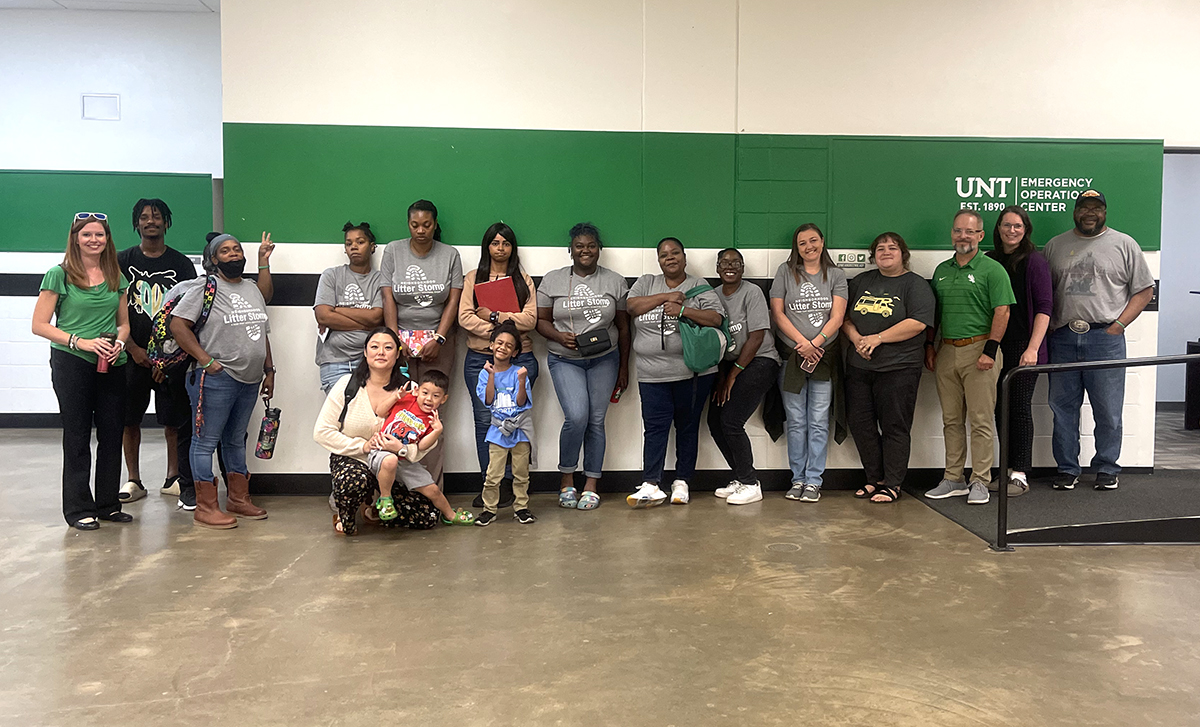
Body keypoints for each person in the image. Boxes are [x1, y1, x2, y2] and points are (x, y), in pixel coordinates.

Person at [1043, 190, 1154, 491]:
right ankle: (1067, 469)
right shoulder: (1055, 245)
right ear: (1075, 211)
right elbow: (1043, 292)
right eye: (1084, 208)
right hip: (1063, 338)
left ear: (1104, 211)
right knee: (1062, 408)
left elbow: (1145, 290)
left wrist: (1118, 325)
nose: (1090, 213)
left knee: (1107, 409)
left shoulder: (1124, 244)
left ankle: (1106, 467)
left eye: (1096, 208)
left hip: (1105, 339)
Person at [32, 212, 133, 530]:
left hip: (112, 363)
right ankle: (78, 509)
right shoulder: (58, 275)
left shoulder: (116, 275)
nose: (94, 240)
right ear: (75, 238)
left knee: (112, 433)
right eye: (87, 234)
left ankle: (108, 504)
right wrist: (81, 343)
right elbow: (39, 325)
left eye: (100, 235)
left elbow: (124, 323)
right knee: (77, 435)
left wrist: (118, 343)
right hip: (72, 363)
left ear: (107, 239)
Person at [170, 233, 274, 529]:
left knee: (234, 441)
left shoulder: (252, 289)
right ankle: (205, 506)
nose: (233, 254)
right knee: (205, 442)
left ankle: (238, 499)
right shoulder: (205, 288)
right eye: (225, 251)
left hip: (251, 379)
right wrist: (205, 360)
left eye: (237, 249)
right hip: (215, 377)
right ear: (213, 259)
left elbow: (261, 330)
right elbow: (178, 324)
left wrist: (270, 370)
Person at [312, 328, 444, 536]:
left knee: (426, 516)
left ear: (398, 353)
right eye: (374, 347)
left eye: (388, 347)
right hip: (354, 459)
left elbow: (425, 436)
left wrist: (402, 450)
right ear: (365, 352)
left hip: (393, 462)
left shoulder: (412, 390)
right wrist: (362, 446)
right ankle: (348, 508)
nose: (381, 352)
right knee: (354, 482)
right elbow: (322, 432)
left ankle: (375, 504)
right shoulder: (347, 385)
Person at [625, 237, 726, 508]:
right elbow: (632, 307)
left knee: (687, 427)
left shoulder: (698, 285)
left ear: (684, 257)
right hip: (651, 374)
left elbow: (716, 319)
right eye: (664, 255)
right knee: (655, 429)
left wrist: (683, 309)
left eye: (675, 253)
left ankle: (682, 481)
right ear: (658, 261)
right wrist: (666, 297)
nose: (670, 258)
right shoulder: (647, 282)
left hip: (691, 374)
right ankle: (651, 483)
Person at [536, 223, 630, 511]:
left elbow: (624, 328)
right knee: (577, 417)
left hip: (605, 358)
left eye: (591, 245)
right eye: (579, 246)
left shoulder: (615, 281)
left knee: (596, 421)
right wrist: (558, 336)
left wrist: (624, 368)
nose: (585, 250)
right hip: (565, 359)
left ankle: (591, 484)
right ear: (570, 250)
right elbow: (540, 321)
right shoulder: (552, 280)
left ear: (598, 249)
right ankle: (566, 480)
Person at [924, 210, 1016, 505]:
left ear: (979, 235)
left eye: (970, 231)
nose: (963, 236)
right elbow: (934, 314)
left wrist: (991, 350)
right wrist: (930, 346)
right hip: (947, 350)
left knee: (980, 420)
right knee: (951, 420)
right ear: (952, 234)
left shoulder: (992, 269)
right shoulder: (941, 270)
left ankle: (980, 480)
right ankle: (953, 478)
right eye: (958, 231)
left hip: (981, 350)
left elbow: (1002, 311)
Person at [841, 233, 936, 504]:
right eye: (880, 248)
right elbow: (845, 317)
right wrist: (857, 338)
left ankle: (893, 484)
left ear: (903, 253)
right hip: (859, 367)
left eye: (892, 248)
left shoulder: (915, 285)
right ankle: (875, 479)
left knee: (895, 426)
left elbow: (918, 323)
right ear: (873, 256)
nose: (885, 252)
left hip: (899, 368)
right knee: (861, 425)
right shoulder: (861, 282)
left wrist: (877, 338)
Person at [116, 198, 197, 505]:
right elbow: (112, 311)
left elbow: (191, 311)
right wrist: (133, 348)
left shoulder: (181, 264)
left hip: (171, 360)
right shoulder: (122, 260)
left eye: (157, 217)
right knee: (129, 419)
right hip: (130, 355)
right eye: (145, 217)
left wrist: (170, 359)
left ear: (166, 222)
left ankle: (172, 477)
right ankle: (133, 480)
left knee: (173, 421)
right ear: (136, 223)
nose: (151, 221)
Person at [380, 199, 463, 488]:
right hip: (401, 343)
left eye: (427, 225)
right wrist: (394, 342)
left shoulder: (450, 255)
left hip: (438, 343)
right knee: (401, 411)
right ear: (408, 225)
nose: (421, 230)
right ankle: (399, 489)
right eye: (415, 225)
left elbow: (454, 300)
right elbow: (388, 297)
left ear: (435, 224)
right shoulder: (393, 251)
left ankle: (432, 489)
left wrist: (439, 337)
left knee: (430, 414)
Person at [459, 222, 539, 509]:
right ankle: (489, 484)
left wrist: (494, 318)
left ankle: (511, 485)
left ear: (512, 248)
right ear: (487, 247)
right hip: (480, 360)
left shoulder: (523, 280)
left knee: (515, 420)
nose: (500, 248)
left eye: (506, 243)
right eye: (495, 243)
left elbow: (530, 320)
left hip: (521, 359)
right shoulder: (473, 278)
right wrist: (502, 335)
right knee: (485, 421)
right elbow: (464, 317)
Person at [770, 224, 848, 503]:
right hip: (793, 357)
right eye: (802, 243)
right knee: (796, 420)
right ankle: (797, 479)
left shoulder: (836, 275)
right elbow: (777, 313)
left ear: (822, 242)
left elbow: (837, 318)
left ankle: (814, 481)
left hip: (823, 358)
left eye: (813, 240)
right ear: (797, 247)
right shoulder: (785, 271)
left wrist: (815, 344)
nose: (809, 247)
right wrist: (802, 344)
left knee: (818, 421)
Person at [985, 206, 1052, 497]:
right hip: (996, 345)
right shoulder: (989, 260)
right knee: (1000, 408)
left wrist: (1033, 348)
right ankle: (1005, 468)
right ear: (997, 228)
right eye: (1006, 225)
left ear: (1026, 230)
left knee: (1020, 406)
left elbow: (1044, 308)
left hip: (1026, 345)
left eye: (1018, 226)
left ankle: (1021, 473)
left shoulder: (1035, 261)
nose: (1011, 231)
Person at [708, 248, 781, 505]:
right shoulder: (712, 296)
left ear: (743, 267)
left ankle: (751, 483)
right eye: (724, 262)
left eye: (735, 262)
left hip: (761, 361)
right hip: (728, 365)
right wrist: (723, 376)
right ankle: (740, 477)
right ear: (717, 268)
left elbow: (757, 336)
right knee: (715, 421)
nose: (730, 266)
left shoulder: (752, 292)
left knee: (731, 420)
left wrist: (734, 375)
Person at [367, 369, 474, 528]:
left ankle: (449, 515)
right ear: (417, 391)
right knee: (390, 461)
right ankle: (385, 500)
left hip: (405, 460)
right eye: (425, 392)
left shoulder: (433, 420)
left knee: (433, 490)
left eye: (436, 396)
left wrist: (437, 431)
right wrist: (395, 397)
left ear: (443, 399)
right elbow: (380, 411)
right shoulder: (406, 399)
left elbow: (422, 446)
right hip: (381, 451)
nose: (429, 399)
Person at [475, 322, 536, 526]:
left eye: (509, 345)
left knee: (521, 473)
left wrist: (521, 381)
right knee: (493, 474)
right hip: (497, 431)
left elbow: (521, 402)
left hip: (520, 431)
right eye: (499, 342)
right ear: (491, 344)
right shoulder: (485, 373)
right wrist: (492, 375)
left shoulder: (520, 372)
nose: (503, 347)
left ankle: (521, 507)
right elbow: (488, 400)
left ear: (515, 351)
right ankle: (489, 509)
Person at [315, 221, 385, 393]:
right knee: (339, 417)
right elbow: (323, 316)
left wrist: (337, 309)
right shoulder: (331, 275)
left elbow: (376, 317)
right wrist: (367, 324)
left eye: (360, 242)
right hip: (334, 363)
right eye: (349, 243)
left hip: (370, 363)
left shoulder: (381, 280)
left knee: (368, 417)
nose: (354, 247)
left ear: (372, 247)